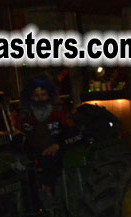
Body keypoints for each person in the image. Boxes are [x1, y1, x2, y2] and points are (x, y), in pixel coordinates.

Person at [12, 76, 80, 206]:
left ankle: (48, 194)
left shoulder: (59, 109)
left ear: (49, 94)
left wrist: (58, 145)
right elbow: (19, 134)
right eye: (36, 95)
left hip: (57, 150)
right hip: (34, 152)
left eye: (43, 94)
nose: (40, 98)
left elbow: (75, 133)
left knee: (49, 160)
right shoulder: (25, 113)